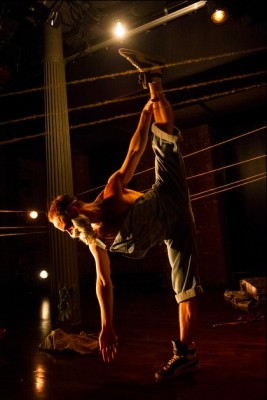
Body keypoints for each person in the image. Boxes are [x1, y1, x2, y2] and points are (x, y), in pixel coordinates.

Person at [48, 48, 203, 380]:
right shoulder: (95, 242)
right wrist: (107, 326)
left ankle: (154, 77)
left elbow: (134, 152)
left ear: (73, 211)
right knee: (185, 289)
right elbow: (104, 282)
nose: (69, 233)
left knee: (164, 143)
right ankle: (187, 353)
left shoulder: (111, 193)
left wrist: (145, 118)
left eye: (65, 227)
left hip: (167, 194)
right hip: (175, 231)